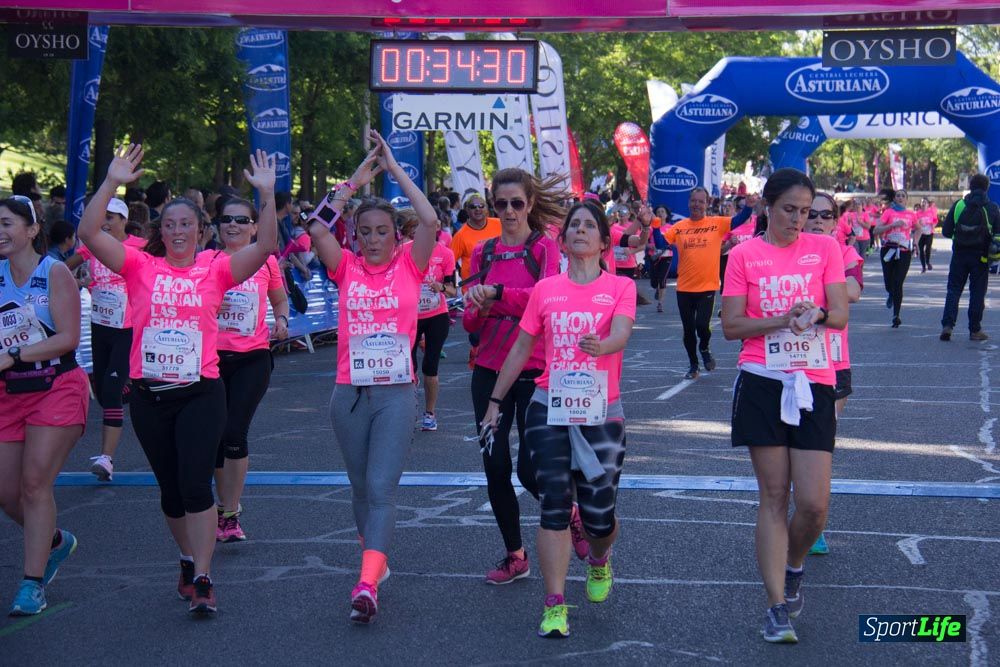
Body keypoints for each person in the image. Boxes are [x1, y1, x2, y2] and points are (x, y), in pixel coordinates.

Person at [77, 145, 278, 615]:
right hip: (150, 395)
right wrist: (110, 182)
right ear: (158, 233)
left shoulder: (216, 268)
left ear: (200, 230)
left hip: (201, 394)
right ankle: (187, 559)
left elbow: (266, 246)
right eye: (170, 225)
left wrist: (265, 196)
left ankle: (205, 576)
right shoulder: (138, 266)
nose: (178, 231)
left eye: (187, 224)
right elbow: (88, 232)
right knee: (170, 490)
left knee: (194, 486)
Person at [481, 200, 636, 639]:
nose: (581, 231)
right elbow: (519, 348)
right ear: (563, 240)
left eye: (590, 226)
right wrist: (495, 400)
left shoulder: (618, 288)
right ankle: (554, 603)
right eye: (574, 226)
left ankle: (601, 559)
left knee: (599, 517)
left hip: (602, 409)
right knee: (553, 502)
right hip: (549, 404)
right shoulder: (546, 290)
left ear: (605, 242)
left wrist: (602, 346)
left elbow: (622, 332)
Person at [304, 130, 437, 624]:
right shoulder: (346, 268)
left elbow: (429, 219)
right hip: (349, 396)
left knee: (381, 489)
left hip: (396, 397)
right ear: (356, 235)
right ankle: (374, 558)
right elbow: (317, 229)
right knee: (360, 489)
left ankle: (365, 583)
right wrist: (358, 179)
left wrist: (396, 169)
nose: (375, 239)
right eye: (366, 232)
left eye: (383, 231)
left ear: (395, 236)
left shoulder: (411, 264)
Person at [721, 168, 848, 643]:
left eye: (806, 212)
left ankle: (794, 565)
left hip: (813, 380)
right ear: (767, 208)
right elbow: (732, 326)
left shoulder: (826, 250)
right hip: (761, 380)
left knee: (814, 505)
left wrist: (816, 313)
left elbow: (839, 313)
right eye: (790, 210)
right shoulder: (743, 255)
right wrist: (780, 318)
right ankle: (775, 606)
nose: (799, 220)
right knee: (774, 496)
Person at [462, 168, 565, 586]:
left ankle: (569, 513)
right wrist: (479, 306)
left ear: (530, 204)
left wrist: (498, 296)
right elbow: (469, 321)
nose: (508, 211)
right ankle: (515, 555)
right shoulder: (482, 253)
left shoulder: (543, 248)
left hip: (535, 369)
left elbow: (547, 303)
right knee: (495, 466)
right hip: (488, 370)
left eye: (516, 203)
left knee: (528, 470)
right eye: (500, 204)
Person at [0, 195, 89, 615]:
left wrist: (15, 356)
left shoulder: (54, 272)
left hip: (57, 384)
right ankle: (54, 541)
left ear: (32, 230)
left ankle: (31, 584)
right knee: (7, 493)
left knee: (35, 483)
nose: (0, 232)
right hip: (9, 391)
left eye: (7, 224)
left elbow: (68, 337)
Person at [213, 197, 290, 542]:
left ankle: (230, 511)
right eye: (227, 219)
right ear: (217, 226)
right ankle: (219, 506)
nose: (233, 225)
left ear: (255, 227)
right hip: (209, 359)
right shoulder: (205, 261)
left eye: (242, 220)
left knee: (233, 433)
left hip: (252, 357)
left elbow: (279, 300)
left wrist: (283, 320)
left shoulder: (266, 261)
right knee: (214, 439)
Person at [66, 198, 146, 481]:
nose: (105, 222)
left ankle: (106, 459)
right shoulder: (92, 247)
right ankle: (136, 389)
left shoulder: (140, 247)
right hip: (100, 327)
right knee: (103, 392)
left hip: (128, 330)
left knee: (110, 391)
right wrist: (77, 281)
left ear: (124, 220)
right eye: (102, 216)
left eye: (111, 217)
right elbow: (64, 269)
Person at [803, 191, 864, 557]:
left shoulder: (845, 254)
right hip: (790, 361)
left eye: (826, 215)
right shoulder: (788, 253)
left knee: (821, 444)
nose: (819, 221)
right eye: (811, 214)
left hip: (833, 361)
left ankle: (815, 523)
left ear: (836, 221)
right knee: (792, 444)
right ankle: (799, 515)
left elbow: (854, 290)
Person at [664, 187, 754, 379]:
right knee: (688, 330)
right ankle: (693, 365)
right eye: (694, 201)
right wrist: (652, 226)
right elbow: (660, 241)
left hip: (707, 287)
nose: (697, 205)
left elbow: (738, 220)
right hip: (684, 289)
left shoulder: (716, 224)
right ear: (689, 202)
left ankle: (704, 347)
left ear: (707, 204)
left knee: (702, 326)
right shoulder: (679, 227)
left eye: (701, 201)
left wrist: (749, 207)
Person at [401, 214, 456, 431]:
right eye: (415, 228)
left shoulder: (445, 254)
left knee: (430, 366)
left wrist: (440, 287)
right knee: (408, 367)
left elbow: (453, 290)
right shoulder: (404, 251)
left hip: (436, 315)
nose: (419, 231)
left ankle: (430, 413)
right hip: (410, 316)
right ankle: (408, 411)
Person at [940, 174, 1000, 342]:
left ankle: (948, 326)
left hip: (959, 255)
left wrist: (959, 238)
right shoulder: (992, 208)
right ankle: (975, 330)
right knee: (977, 293)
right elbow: (998, 233)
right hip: (980, 257)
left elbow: (945, 231)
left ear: (971, 186)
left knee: (953, 290)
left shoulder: (959, 205)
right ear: (987, 187)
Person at [873, 189, 916, 328]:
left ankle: (896, 315)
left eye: (903, 196)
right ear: (895, 199)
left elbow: (919, 228)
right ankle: (891, 294)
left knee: (898, 282)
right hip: (888, 250)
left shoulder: (911, 214)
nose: (900, 198)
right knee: (888, 281)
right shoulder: (888, 213)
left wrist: (915, 242)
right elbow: (876, 230)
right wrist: (892, 225)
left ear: (906, 199)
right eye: (898, 196)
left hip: (904, 251)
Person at [451, 192, 501, 284]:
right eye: (473, 206)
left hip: (499, 286)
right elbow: (449, 262)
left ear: (487, 208)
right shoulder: (460, 235)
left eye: (481, 206)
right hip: (473, 290)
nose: (477, 209)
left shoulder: (499, 224)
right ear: (467, 210)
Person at [914, 197, 937, 273]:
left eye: (925, 202)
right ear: (921, 204)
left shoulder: (931, 212)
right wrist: (918, 223)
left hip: (929, 233)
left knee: (927, 249)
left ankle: (927, 262)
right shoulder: (918, 213)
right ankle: (923, 267)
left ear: (928, 204)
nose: (923, 203)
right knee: (921, 250)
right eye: (922, 202)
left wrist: (933, 224)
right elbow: (914, 223)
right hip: (921, 234)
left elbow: (935, 220)